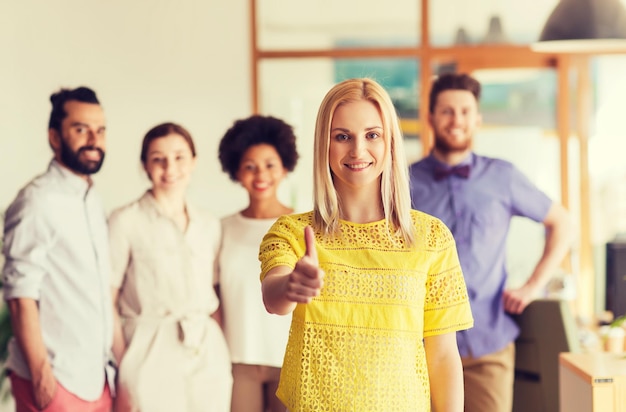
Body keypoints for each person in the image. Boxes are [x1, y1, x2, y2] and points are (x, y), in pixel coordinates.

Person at [259, 78, 474, 411]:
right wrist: (292, 286)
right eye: (342, 136)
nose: (358, 150)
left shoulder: (431, 237)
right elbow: (275, 298)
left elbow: (444, 355)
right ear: (324, 145)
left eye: (372, 135)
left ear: (390, 143)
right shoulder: (292, 231)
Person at [408, 72, 572, 412]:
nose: (457, 120)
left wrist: (532, 286)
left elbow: (563, 223)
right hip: (418, 347)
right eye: (447, 111)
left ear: (478, 118)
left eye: (465, 111)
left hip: (488, 346)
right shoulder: (402, 182)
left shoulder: (503, 176)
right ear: (431, 117)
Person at [2, 86, 117, 411]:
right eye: (81, 130)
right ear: (54, 137)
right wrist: (42, 379)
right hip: (56, 380)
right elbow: (20, 297)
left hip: (97, 379)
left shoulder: (92, 198)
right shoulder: (36, 201)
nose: (94, 140)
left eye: (100, 130)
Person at [108, 122, 232, 412]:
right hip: (149, 346)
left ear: (194, 161)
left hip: (206, 348)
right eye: (158, 159)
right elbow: (107, 299)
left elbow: (214, 293)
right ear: (145, 166)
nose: (170, 168)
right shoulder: (125, 221)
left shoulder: (209, 223)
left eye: (179, 157)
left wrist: (219, 340)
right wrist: (126, 364)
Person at [217, 115, 299, 412]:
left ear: (285, 167)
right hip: (239, 357)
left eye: (269, 165)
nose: (260, 174)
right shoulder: (222, 228)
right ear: (236, 171)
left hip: (291, 357)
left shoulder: (303, 226)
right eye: (249, 166)